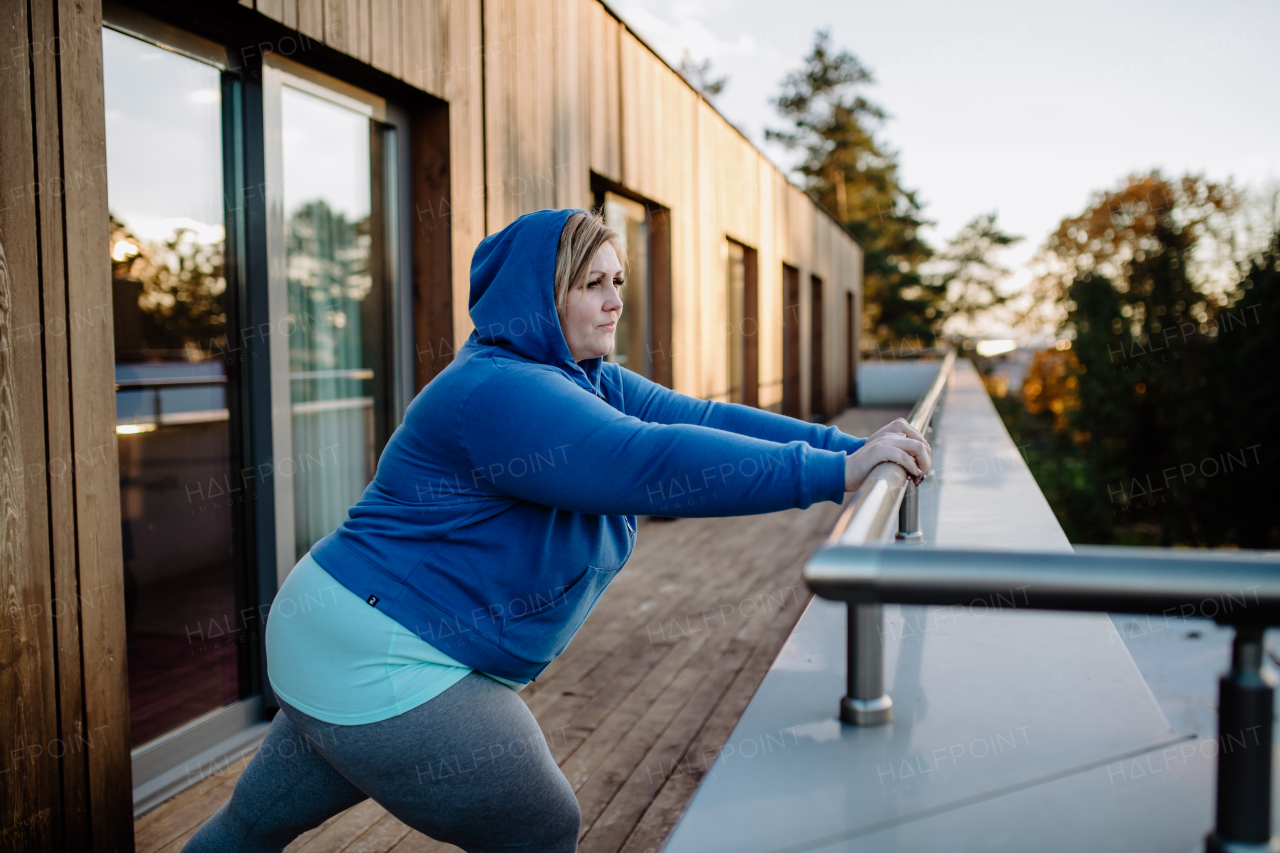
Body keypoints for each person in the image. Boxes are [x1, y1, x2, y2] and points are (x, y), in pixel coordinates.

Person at [185, 209, 930, 853]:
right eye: (592, 284)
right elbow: (648, 460)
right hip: (379, 650)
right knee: (540, 826)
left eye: (619, 282)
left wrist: (848, 450)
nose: (614, 303)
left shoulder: (585, 374)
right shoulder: (501, 391)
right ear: (542, 294)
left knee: (251, 828)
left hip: (341, 631)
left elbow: (699, 418)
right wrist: (831, 475)